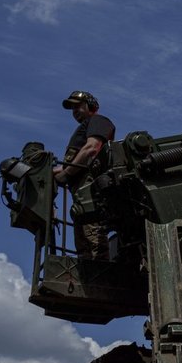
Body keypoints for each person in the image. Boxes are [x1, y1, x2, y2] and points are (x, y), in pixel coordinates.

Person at [54, 90, 116, 260]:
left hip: (92, 196)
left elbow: (91, 149)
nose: (74, 110)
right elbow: (71, 164)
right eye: (72, 108)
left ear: (91, 105)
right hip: (81, 199)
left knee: (95, 242)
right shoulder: (81, 129)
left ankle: (101, 279)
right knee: (84, 248)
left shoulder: (98, 121)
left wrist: (66, 173)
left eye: (78, 106)